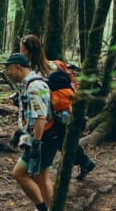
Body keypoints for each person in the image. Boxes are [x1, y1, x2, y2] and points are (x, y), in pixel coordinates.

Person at [19, 34, 96, 180]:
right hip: (64, 111)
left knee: (53, 141)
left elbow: (41, 96)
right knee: (63, 141)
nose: (21, 53)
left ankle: (36, 170)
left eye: (23, 51)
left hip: (51, 115)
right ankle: (85, 162)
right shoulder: (56, 64)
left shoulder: (35, 73)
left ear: (30, 51)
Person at [2, 52, 59, 211]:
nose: (7, 72)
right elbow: (29, 114)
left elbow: (40, 118)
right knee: (34, 175)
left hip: (45, 138)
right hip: (39, 136)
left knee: (32, 175)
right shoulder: (25, 84)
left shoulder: (35, 87)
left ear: (18, 67)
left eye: (8, 68)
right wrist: (19, 132)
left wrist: (36, 144)